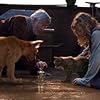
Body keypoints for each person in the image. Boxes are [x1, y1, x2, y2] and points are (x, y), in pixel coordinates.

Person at [0, 9, 51, 75]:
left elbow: (31, 51)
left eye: (46, 27)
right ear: (34, 19)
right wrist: (35, 63)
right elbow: (20, 49)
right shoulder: (19, 21)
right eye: (43, 25)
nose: (43, 29)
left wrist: (38, 63)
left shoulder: (32, 31)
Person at [71, 12, 100, 89]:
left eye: (79, 31)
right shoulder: (95, 33)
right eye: (76, 32)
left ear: (86, 27)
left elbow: (96, 60)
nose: (78, 34)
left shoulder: (97, 34)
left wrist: (85, 80)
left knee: (94, 82)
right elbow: (87, 51)